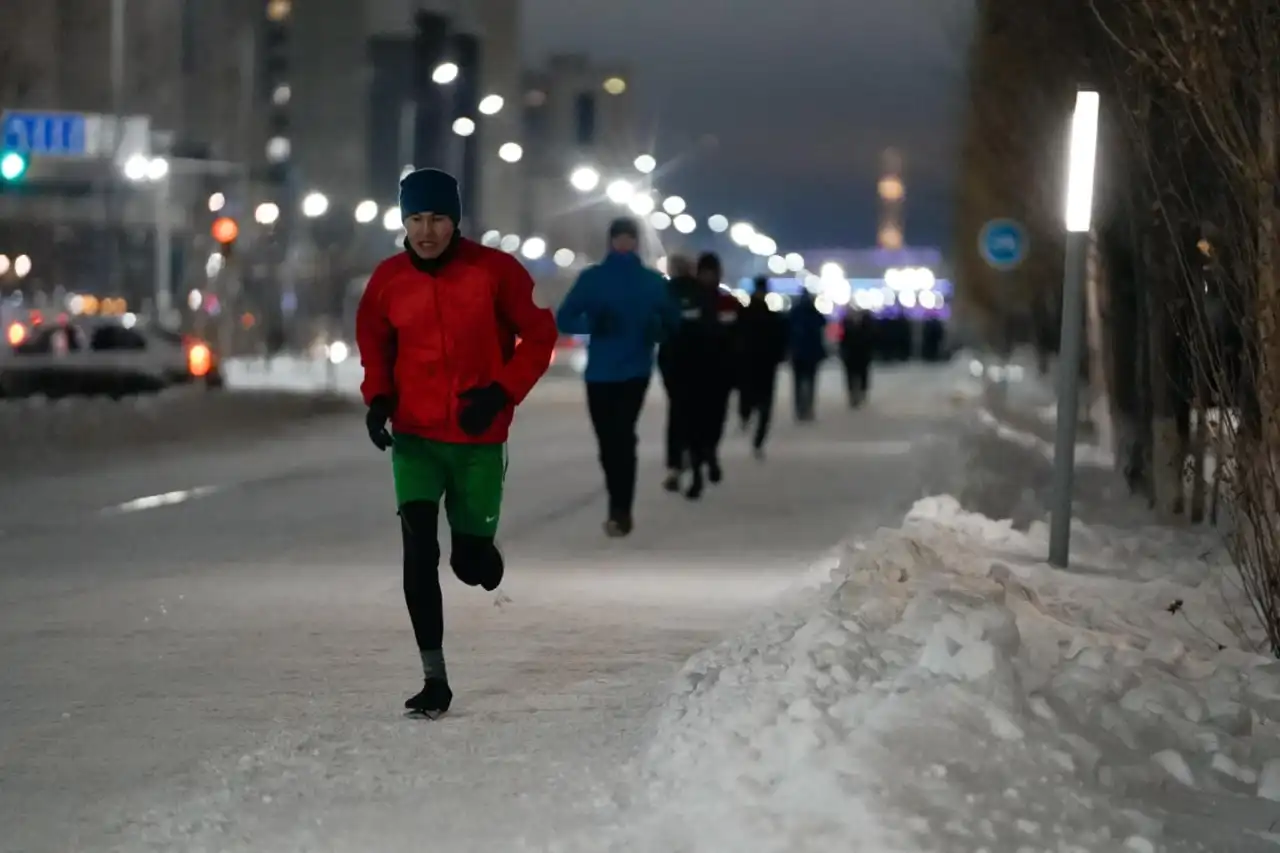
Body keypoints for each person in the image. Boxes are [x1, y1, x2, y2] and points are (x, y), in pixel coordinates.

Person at [356, 167, 557, 717]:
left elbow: (540, 336)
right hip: (416, 438)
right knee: (418, 551)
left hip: (477, 438)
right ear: (403, 220)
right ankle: (434, 678)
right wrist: (378, 399)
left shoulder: (495, 273)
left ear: (456, 220)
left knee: (470, 566)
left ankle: (480, 553)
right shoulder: (387, 281)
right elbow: (375, 345)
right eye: (416, 218)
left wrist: (503, 392)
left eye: (438, 218)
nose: (427, 231)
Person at [556, 217, 677, 536]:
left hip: (634, 370)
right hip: (600, 372)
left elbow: (673, 323)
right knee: (609, 441)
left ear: (636, 242)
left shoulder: (652, 282)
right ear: (611, 241)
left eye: (628, 239)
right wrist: (593, 325)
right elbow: (564, 318)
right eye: (618, 239)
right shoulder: (593, 279)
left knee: (622, 436)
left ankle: (620, 510)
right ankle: (618, 503)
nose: (623, 244)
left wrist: (657, 330)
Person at [657, 254, 718, 498]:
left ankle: (675, 465)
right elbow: (713, 330)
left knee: (677, 416)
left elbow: (656, 328)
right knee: (699, 418)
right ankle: (699, 463)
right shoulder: (703, 294)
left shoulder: (664, 293)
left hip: (674, 365)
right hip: (700, 366)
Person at [694, 252, 741, 483]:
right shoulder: (691, 300)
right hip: (693, 371)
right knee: (695, 420)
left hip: (720, 371)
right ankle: (698, 464)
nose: (708, 277)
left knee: (716, 418)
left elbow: (739, 337)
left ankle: (710, 453)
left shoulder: (727, 302)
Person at [737, 276, 788, 457]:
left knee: (748, 396)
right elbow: (780, 339)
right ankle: (758, 439)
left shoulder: (743, 313)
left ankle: (746, 416)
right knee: (765, 404)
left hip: (749, 363)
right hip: (766, 365)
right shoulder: (772, 316)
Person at [789, 290, 827, 421]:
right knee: (810, 382)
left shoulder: (794, 313)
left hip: (798, 353)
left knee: (798, 383)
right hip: (812, 353)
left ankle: (800, 409)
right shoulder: (814, 312)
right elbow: (823, 325)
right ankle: (808, 408)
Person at [838, 308, 875, 407]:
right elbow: (842, 340)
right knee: (852, 375)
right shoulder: (847, 324)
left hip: (861, 354)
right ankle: (853, 395)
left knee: (861, 375)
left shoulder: (865, 325)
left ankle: (860, 393)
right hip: (852, 354)